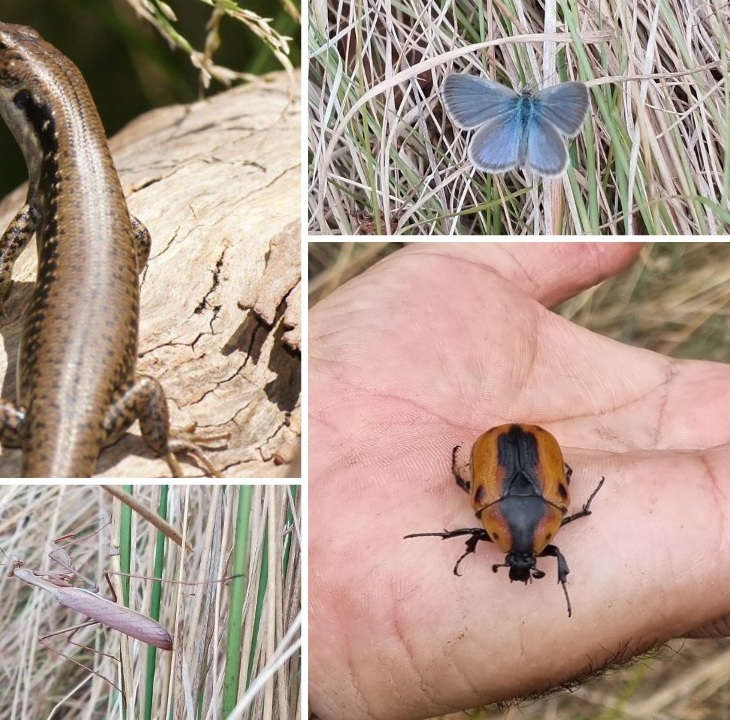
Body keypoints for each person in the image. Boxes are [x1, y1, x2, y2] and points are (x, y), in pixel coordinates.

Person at [308, 242, 730, 719]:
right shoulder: (527, 524)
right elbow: (523, 537)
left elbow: (501, 535)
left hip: (518, 463)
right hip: (516, 460)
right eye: (533, 562)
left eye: (519, 559)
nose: (525, 561)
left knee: (470, 508)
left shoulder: (527, 522)